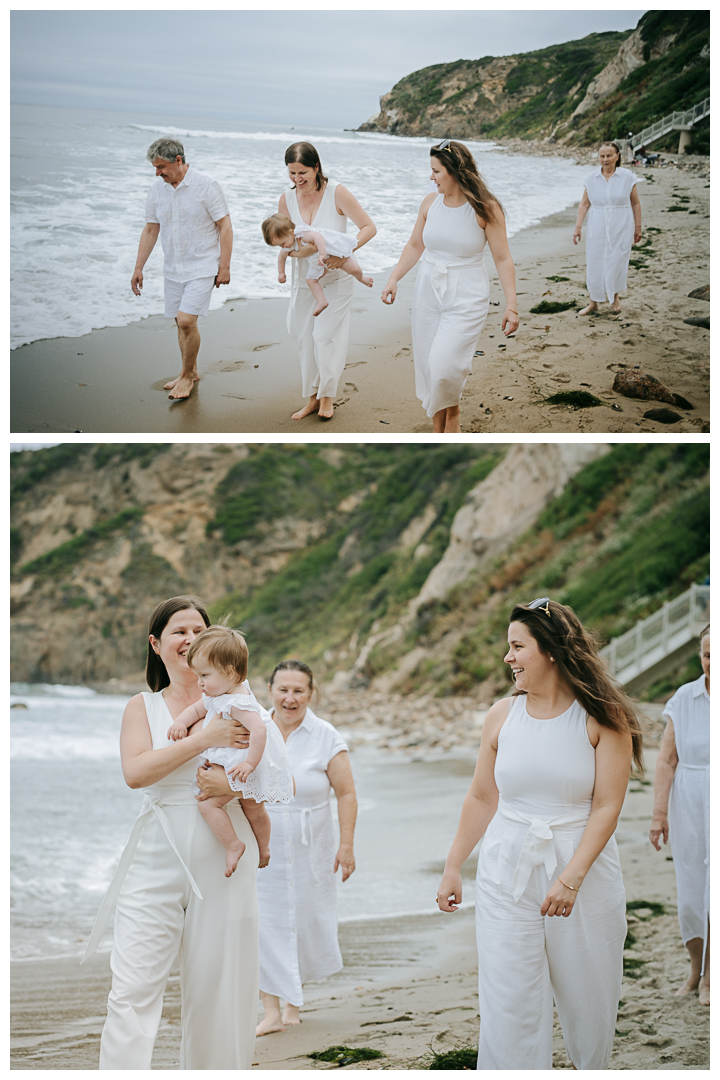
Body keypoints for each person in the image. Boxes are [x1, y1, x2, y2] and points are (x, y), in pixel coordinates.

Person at [437, 597, 643, 1070]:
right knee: (509, 996)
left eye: (517, 646)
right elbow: (482, 797)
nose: (507, 657)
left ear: (549, 650)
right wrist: (453, 866)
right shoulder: (501, 716)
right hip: (506, 867)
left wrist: (571, 877)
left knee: (588, 995)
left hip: (581, 867)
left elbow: (608, 805)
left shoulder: (603, 717)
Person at [81, 596, 259, 1069]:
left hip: (226, 851)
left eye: (198, 630)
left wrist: (235, 784)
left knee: (219, 988)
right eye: (178, 631)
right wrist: (203, 740)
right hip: (158, 852)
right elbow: (136, 773)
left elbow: (277, 774)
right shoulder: (143, 707)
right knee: (133, 987)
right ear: (156, 644)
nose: (189, 640)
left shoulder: (242, 702)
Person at [195, 658, 357, 1035]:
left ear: (311, 693)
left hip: (311, 843)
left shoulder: (326, 736)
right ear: (269, 691)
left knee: (302, 920)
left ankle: (293, 1003)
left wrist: (346, 845)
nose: (290, 698)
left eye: (299, 690)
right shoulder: (249, 724)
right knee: (265, 923)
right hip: (261, 839)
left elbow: (347, 793)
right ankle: (270, 1010)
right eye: (283, 689)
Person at [381, 139, 519, 434]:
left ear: (455, 171)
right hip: (427, 289)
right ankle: (438, 425)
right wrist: (394, 278)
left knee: (446, 365)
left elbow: (503, 258)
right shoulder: (430, 203)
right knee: (430, 364)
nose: (431, 177)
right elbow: (416, 244)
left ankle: (453, 412)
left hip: (467, 293)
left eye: (436, 171)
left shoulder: (485, 208)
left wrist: (511, 306)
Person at [167, 625, 294, 877]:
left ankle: (235, 845)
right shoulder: (220, 691)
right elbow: (196, 710)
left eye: (204, 675)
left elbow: (259, 730)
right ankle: (264, 847)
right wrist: (180, 722)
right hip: (240, 763)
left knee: (209, 806)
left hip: (246, 763)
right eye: (198, 675)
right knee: (254, 809)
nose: (200, 682)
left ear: (229, 672)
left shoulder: (238, 702)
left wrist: (249, 764)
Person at [278, 141, 376, 421]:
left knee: (324, 337)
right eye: (292, 174)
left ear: (316, 167)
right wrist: (296, 256)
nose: (297, 180)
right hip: (306, 280)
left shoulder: (337, 193)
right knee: (306, 341)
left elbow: (369, 228)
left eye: (303, 173)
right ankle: (310, 398)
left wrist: (342, 253)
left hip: (337, 278)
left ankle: (327, 397)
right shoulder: (286, 198)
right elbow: (285, 243)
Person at [131, 137, 233, 400]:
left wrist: (224, 267)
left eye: (161, 166)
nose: (157, 173)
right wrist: (138, 267)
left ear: (178, 160)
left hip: (202, 265)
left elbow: (225, 226)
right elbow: (151, 229)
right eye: (155, 168)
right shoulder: (157, 190)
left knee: (187, 321)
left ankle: (186, 377)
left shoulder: (207, 186)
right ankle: (191, 369)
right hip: (173, 267)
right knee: (180, 322)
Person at [649, 624, 710, 1006]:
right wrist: (658, 815)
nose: (712, 663)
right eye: (707, 655)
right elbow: (667, 760)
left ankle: (711, 978)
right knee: (690, 894)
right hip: (688, 802)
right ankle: (695, 967)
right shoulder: (684, 699)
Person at [572, 141, 642, 317]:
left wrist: (638, 227)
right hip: (597, 224)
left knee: (616, 261)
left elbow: (635, 202)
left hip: (621, 224)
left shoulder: (627, 177)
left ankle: (614, 298)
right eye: (602, 156)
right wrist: (578, 227)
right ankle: (593, 303)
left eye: (609, 155)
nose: (605, 159)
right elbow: (584, 204)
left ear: (617, 156)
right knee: (595, 261)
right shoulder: (591, 178)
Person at [262, 213, 373, 317]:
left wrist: (322, 254)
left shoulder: (302, 235)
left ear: (291, 232)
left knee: (353, 269)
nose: (282, 247)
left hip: (330, 252)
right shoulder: (287, 244)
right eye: (278, 245)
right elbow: (281, 257)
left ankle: (362, 278)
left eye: (282, 243)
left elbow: (318, 237)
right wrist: (281, 273)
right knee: (311, 280)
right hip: (317, 263)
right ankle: (322, 301)